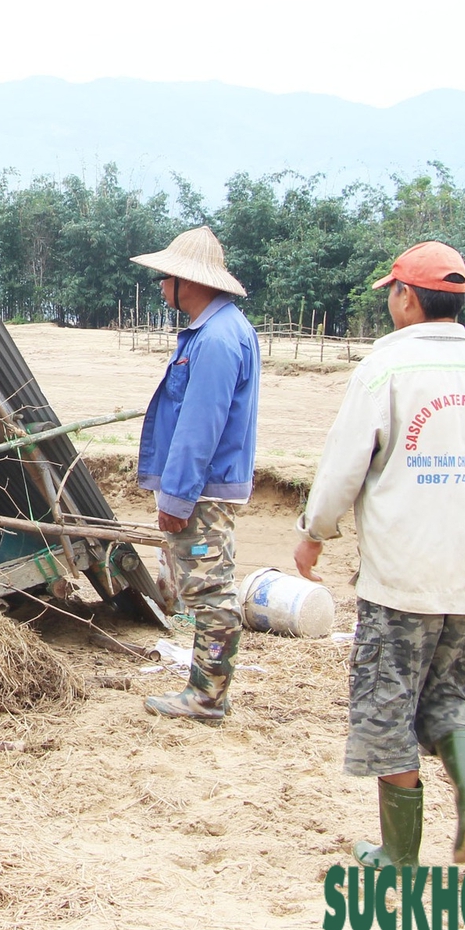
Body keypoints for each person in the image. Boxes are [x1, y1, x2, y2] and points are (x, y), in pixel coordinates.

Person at [292, 241, 465, 868]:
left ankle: (399, 856)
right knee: (450, 696)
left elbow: (345, 463)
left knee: (386, 706)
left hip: (404, 575)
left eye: (391, 293)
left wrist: (315, 529)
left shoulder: (386, 369)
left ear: (404, 296)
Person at [128, 227, 260, 721]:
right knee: (206, 587)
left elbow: (199, 426)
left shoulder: (218, 340)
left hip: (201, 487)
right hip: (202, 484)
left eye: (166, 278)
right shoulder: (214, 331)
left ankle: (207, 697)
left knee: (209, 589)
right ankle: (204, 690)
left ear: (190, 282)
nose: (161, 287)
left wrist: (176, 499)